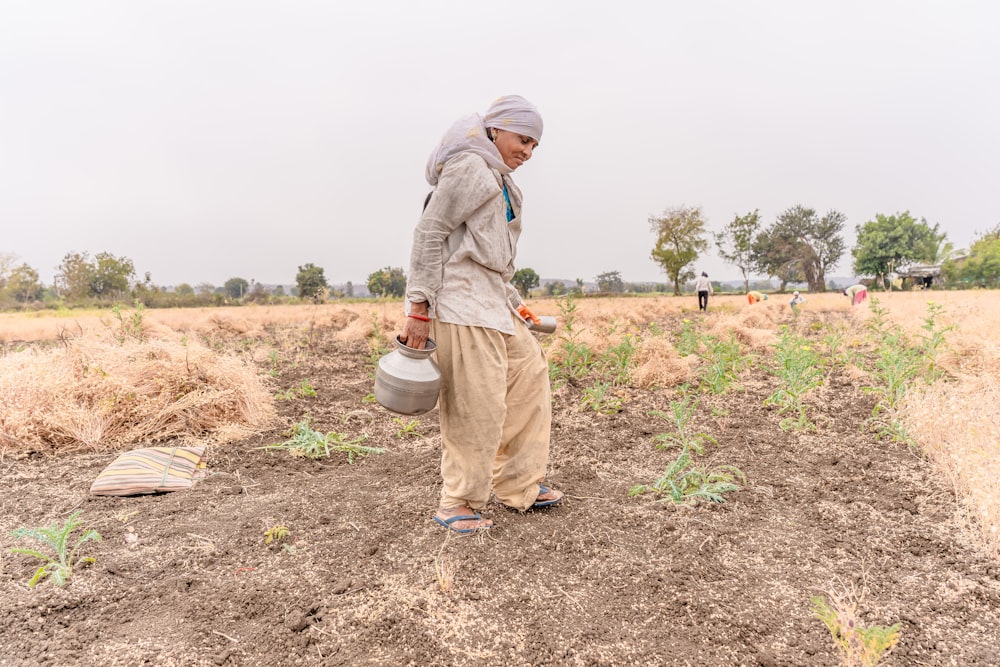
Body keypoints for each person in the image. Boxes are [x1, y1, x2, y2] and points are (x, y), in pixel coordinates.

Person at [399, 95, 562, 535]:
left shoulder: (505, 182)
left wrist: (517, 304)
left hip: (493, 300)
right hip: (460, 303)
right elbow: (430, 233)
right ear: (495, 129)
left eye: (534, 146)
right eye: (522, 140)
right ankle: (459, 500)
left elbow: (491, 258)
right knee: (477, 403)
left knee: (529, 377)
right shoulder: (470, 167)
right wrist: (419, 306)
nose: (527, 152)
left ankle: (518, 484)